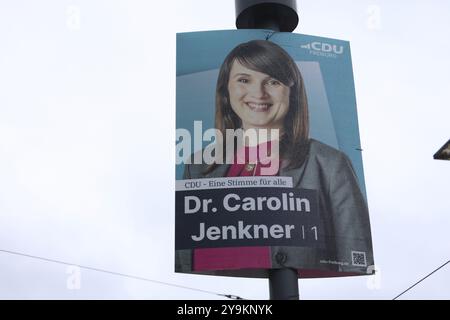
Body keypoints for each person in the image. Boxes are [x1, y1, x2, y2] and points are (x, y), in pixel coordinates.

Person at [177, 40, 374, 278]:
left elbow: (357, 261)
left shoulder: (330, 165)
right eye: (243, 80)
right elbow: (184, 260)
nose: (258, 93)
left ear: (292, 91)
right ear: (225, 92)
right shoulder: (197, 166)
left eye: (273, 81)